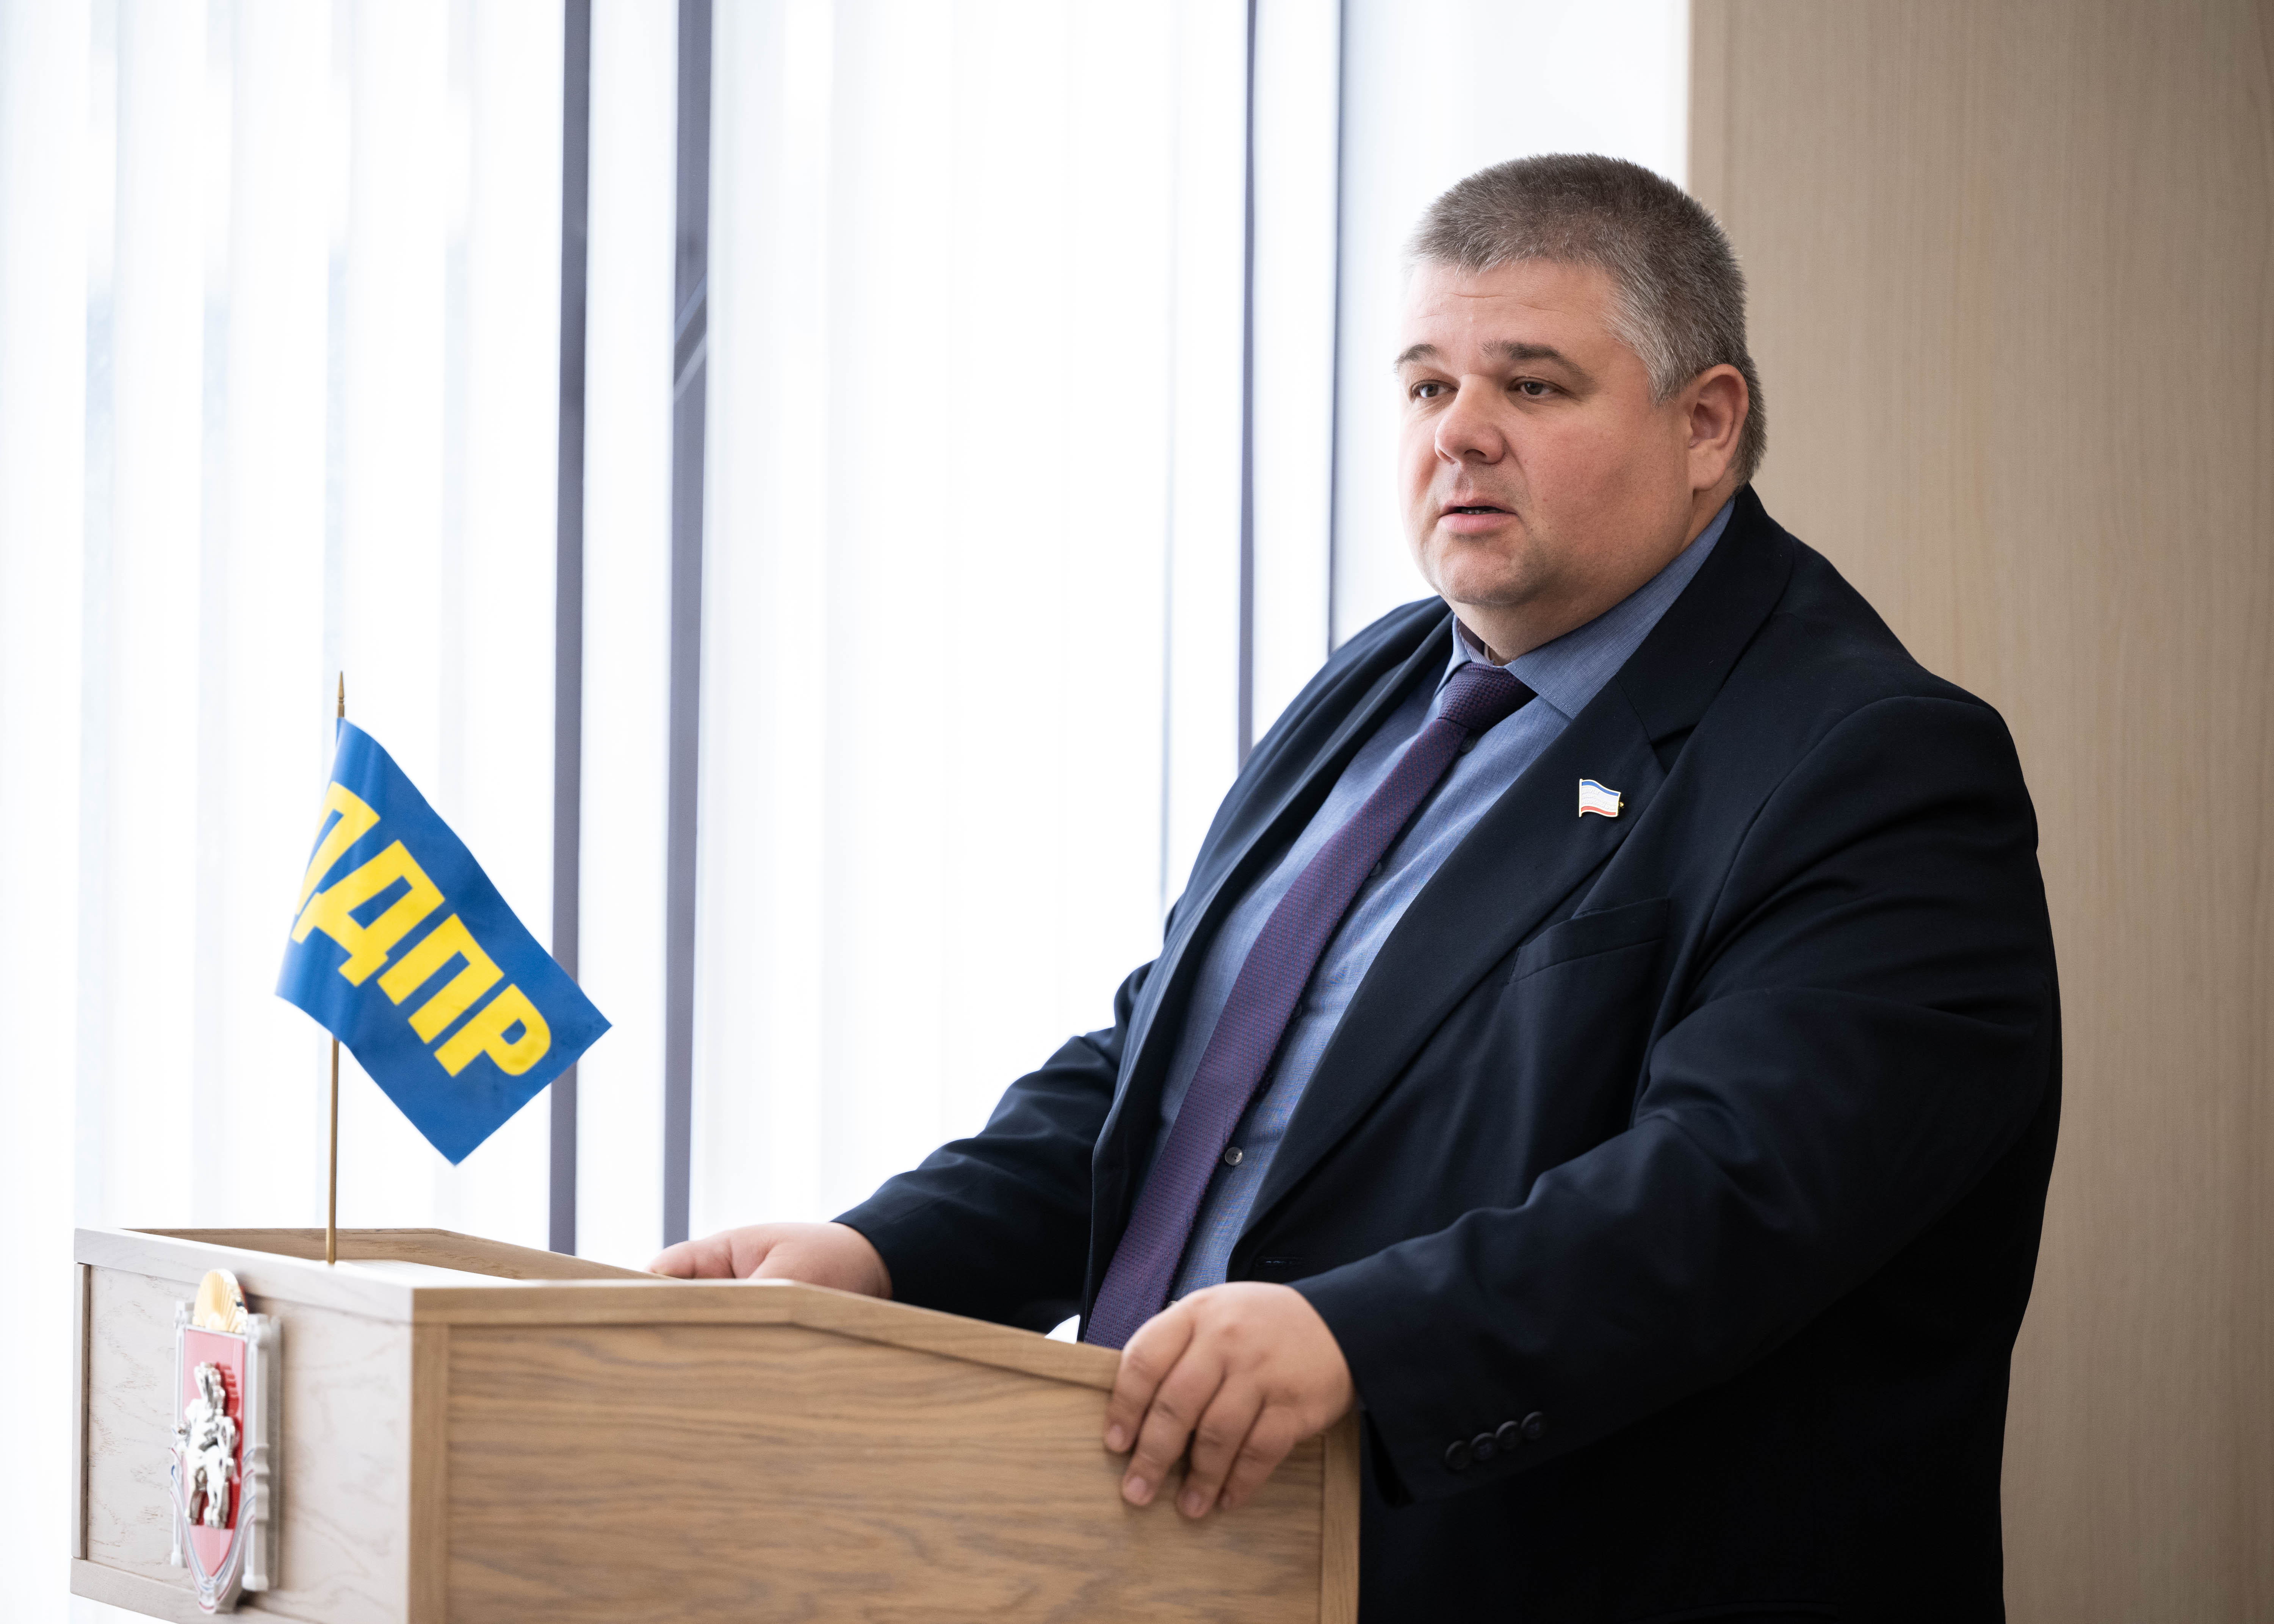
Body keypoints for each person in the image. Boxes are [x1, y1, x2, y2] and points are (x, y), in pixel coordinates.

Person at [656, 154, 2059, 1622]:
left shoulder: (1875, 763)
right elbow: (1184, 1071)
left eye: (1531, 386)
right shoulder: (1385, 681)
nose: (1459, 434)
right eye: (1426, 385)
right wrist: (887, 1255)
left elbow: (1731, 1197)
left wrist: (1359, 1337)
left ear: (1707, 424)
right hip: (1181, 1555)